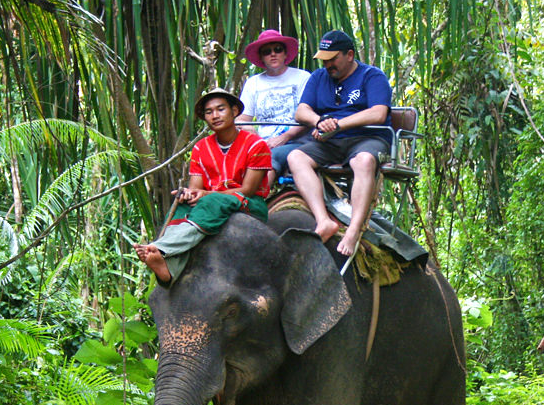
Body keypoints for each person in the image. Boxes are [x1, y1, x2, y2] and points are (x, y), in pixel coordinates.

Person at [134, 89, 272, 283]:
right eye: (208, 112)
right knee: (181, 207)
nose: (215, 116)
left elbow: (248, 189)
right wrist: (188, 194)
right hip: (211, 202)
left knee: (213, 200)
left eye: (220, 109)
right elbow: (196, 187)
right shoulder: (200, 147)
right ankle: (167, 271)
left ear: (234, 111)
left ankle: (162, 247)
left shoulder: (256, 145)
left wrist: (206, 194)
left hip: (249, 202)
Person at [287, 30, 392, 256]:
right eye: (324, 59)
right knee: (296, 157)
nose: (328, 64)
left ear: (350, 55)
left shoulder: (372, 76)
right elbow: (301, 111)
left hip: (367, 138)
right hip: (331, 141)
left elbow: (378, 113)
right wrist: (319, 121)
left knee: (363, 162)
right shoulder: (318, 77)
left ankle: (353, 231)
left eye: (333, 58)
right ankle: (323, 220)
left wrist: (338, 124)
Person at [238, 29, 311, 178]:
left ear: (285, 53)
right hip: (263, 143)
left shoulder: (302, 77)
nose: (273, 54)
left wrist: (286, 136)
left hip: (298, 142)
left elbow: (310, 114)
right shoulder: (253, 83)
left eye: (277, 49)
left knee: (269, 158)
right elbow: (241, 120)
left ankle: (257, 199)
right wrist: (257, 138)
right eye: (267, 51)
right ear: (261, 57)